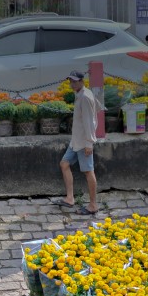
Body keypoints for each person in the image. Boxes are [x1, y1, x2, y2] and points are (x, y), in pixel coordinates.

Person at [52, 70, 99, 216]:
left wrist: (89, 143)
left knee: (88, 172)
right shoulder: (81, 94)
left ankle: (93, 205)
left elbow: (89, 121)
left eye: (74, 81)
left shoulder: (84, 97)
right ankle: (70, 198)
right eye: (70, 81)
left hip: (84, 141)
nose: (72, 84)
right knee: (64, 164)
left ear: (81, 81)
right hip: (76, 140)